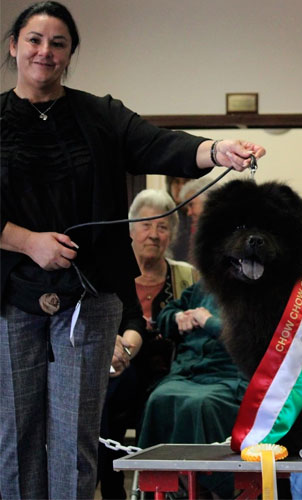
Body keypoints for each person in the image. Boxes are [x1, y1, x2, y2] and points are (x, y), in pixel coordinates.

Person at [0, 2, 265, 498]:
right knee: (15, 434)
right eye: (34, 40)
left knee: (75, 438)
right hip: (12, 294)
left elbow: (159, 143)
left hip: (91, 295)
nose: (45, 52)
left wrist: (215, 150)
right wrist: (27, 242)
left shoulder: (99, 114)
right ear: (14, 46)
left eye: (58, 43)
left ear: (70, 53)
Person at [98, 189, 198, 499]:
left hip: (168, 367)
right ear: (130, 230)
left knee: (159, 396)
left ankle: (160, 490)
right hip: (120, 365)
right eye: (146, 225)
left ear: (172, 234)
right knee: (108, 394)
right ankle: (112, 486)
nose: (153, 234)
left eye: (163, 226)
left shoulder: (186, 275)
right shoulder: (112, 276)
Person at [137, 281, 248, 498]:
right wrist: (178, 317)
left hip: (228, 376)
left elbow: (251, 337)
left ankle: (202, 489)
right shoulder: (199, 289)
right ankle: (167, 488)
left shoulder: (256, 291)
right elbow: (166, 314)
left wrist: (208, 321)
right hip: (187, 373)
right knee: (159, 398)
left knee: (200, 405)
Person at [165, 176, 192, 261]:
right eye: (177, 182)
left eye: (185, 182)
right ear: (169, 185)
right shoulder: (164, 212)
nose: (181, 187)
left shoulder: (196, 212)